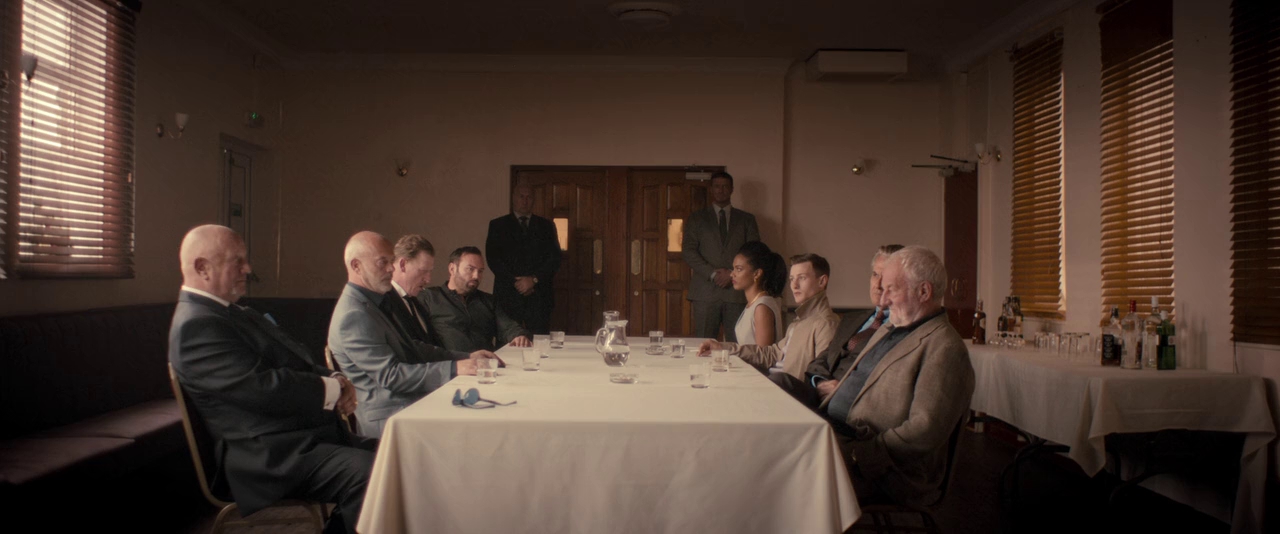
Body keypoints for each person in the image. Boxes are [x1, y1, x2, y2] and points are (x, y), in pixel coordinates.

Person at [168, 224, 373, 534]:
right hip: (266, 458)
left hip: (295, 438)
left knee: (397, 453)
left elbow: (295, 360)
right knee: (371, 474)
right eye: (237, 260)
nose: (248, 268)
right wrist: (331, 388)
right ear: (202, 268)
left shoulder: (230, 313)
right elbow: (260, 389)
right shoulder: (194, 326)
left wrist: (335, 378)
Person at [818, 246, 974, 506]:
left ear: (924, 292)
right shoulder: (891, 328)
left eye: (891, 289)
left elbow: (924, 431)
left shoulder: (945, 348)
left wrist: (857, 455)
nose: (882, 301)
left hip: (884, 468)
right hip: (839, 434)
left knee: (787, 474)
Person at [328, 232, 493, 438]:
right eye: (382, 262)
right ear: (356, 266)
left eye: (391, 261)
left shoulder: (373, 302)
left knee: (486, 408)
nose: (391, 268)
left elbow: (413, 347)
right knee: (481, 426)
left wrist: (465, 357)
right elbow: (391, 376)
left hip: (409, 403)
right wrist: (455, 368)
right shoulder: (354, 314)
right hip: (391, 419)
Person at [771, 245, 903, 409]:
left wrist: (843, 388)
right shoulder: (852, 319)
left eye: (886, 277)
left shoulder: (903, 327)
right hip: (819, 392)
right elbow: (821, 360)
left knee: (777, 384)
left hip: (851, 401)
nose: (878, 284)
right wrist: (820, 382)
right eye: (875, 275)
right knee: (773, 383)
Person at [699, 253, 840, 381]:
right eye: (792, 279)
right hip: (774, 383)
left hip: (784, 390)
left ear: (822, 281)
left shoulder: (825, 323)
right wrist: (722, 347)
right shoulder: (801, 319)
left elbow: (821, 377)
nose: (794, 285)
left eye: (802, 278)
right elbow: (770, 354)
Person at [682, 171, 760, 342]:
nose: (721, 190)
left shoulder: (746, 219)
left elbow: (754, 252)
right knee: (703, 344)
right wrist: (713, 274)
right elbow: (688, 251)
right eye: (717, 186)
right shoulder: (697, 219)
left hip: (736, 292)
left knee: (738, 344)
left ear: (732, 189)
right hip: (705, 293)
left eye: (725, 186)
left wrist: (732, 274)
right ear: (711, 189)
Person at [421, 246, 532, 352]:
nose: (476, 276)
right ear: (452, 269)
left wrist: (519, 336)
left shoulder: (489, 301)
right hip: (451, 363)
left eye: (480, 271)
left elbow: (509, 327)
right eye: (470, 269)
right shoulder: (429, 297)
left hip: (486, 363)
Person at [486, 182, 562, 335]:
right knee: (507, 339)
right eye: (521, 196)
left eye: (529, 197)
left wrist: (533, 280)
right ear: (514, 198)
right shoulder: (497, 225)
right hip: (508, 294)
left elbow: (554, 259)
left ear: (534, 200)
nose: (525, 201)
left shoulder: (546, 226)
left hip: (539, 295)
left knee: (540, 340)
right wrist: (517, 283)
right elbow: (493, 259)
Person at [382, 234, 467, 362]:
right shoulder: (383, 302)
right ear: (403, 264)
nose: (428, 279)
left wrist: (466, 358)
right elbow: (410, 351)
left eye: (430, 271)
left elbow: (432, 347)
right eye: (423, 271)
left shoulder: (414, 301)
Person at [730, 241, 786, 347]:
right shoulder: (754, 303)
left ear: (757, 273)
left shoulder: (762, 307)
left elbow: (763, 353)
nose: (732, 274)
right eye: (733, 268)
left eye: (739, 269)